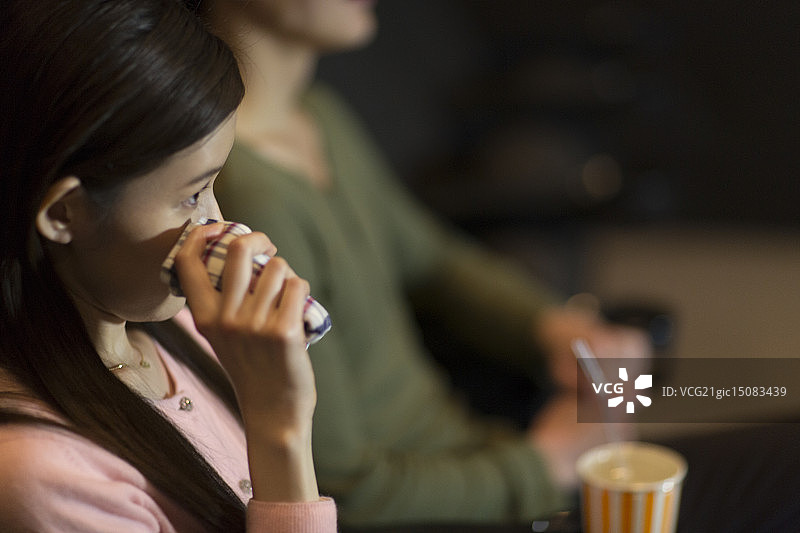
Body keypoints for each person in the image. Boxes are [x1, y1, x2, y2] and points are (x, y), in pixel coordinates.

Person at [189, 0, 651, 527]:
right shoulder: (246, 191)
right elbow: (343, 488)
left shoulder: (317, 114)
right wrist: (543, 467)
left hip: (476, 458)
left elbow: (432, 259)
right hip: (451, 502)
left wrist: (552, 326)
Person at [0, 1, 336, 531]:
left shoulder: (177, 324)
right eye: (192, 195)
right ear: (64, 214)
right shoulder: (43, 477)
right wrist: (280, 432)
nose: (217, 224)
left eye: (214, 187)